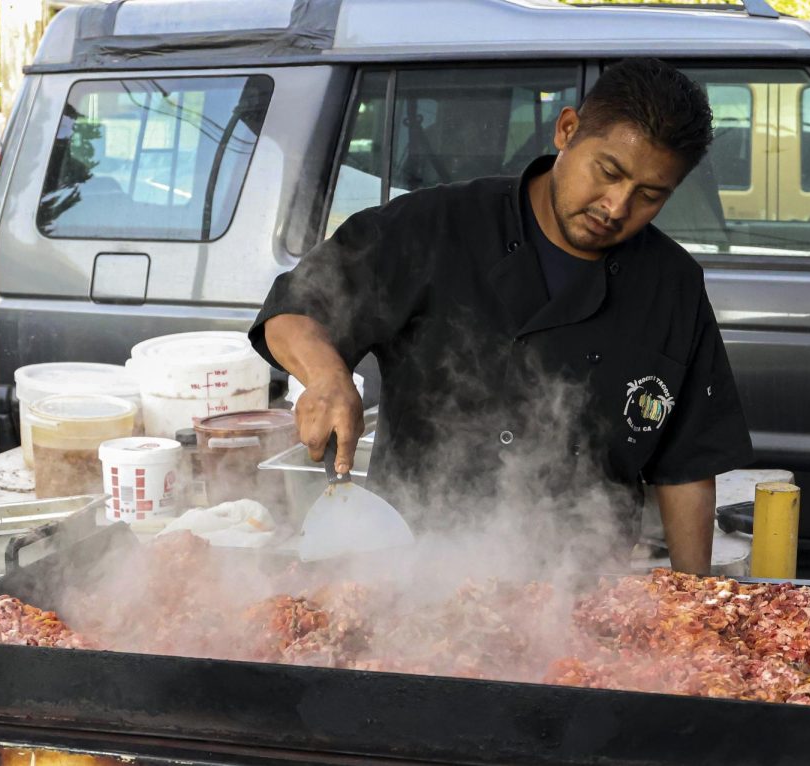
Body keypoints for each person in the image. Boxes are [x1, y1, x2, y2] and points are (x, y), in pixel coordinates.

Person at [250, 58, 752, 573]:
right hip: (412, 576)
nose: (617, 207)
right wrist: (328, 377)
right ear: (568, 130)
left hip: (584, 596)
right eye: (608, 172)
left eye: (650, 195)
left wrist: (696, 605)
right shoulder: (436, 227)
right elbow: (294, 310)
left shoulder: (672, 284)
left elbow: (686, 468)